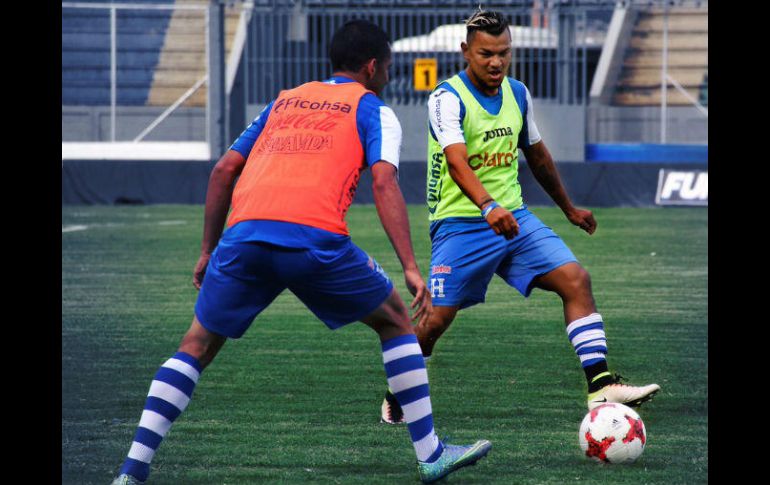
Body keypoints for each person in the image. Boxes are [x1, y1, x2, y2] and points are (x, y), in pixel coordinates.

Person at [111, 19, 492, 485]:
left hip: (244, 236)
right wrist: (411, 267)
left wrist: (209, 249)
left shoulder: (284, 100)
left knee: (195, 345)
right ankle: (430, 453)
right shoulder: (373, 109)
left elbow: (224, 169)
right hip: (313, 238)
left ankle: (131, 472)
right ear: (373, 67)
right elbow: (383, 180)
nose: (389, 77)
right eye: (389, 69)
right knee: (395, 319)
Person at [380, 10, 660, 425]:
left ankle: (600, 386)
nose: (496, 62)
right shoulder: (445, 97)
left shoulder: (518, 93)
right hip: (460, 223)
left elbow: (538, 155)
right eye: (486, 54)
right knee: (435, 321)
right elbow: (457, 162)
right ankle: (397, 393)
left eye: (504, 53)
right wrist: (487, 206)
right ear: (465, 52)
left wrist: (567, 208)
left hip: (514, 218)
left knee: (576, 279)